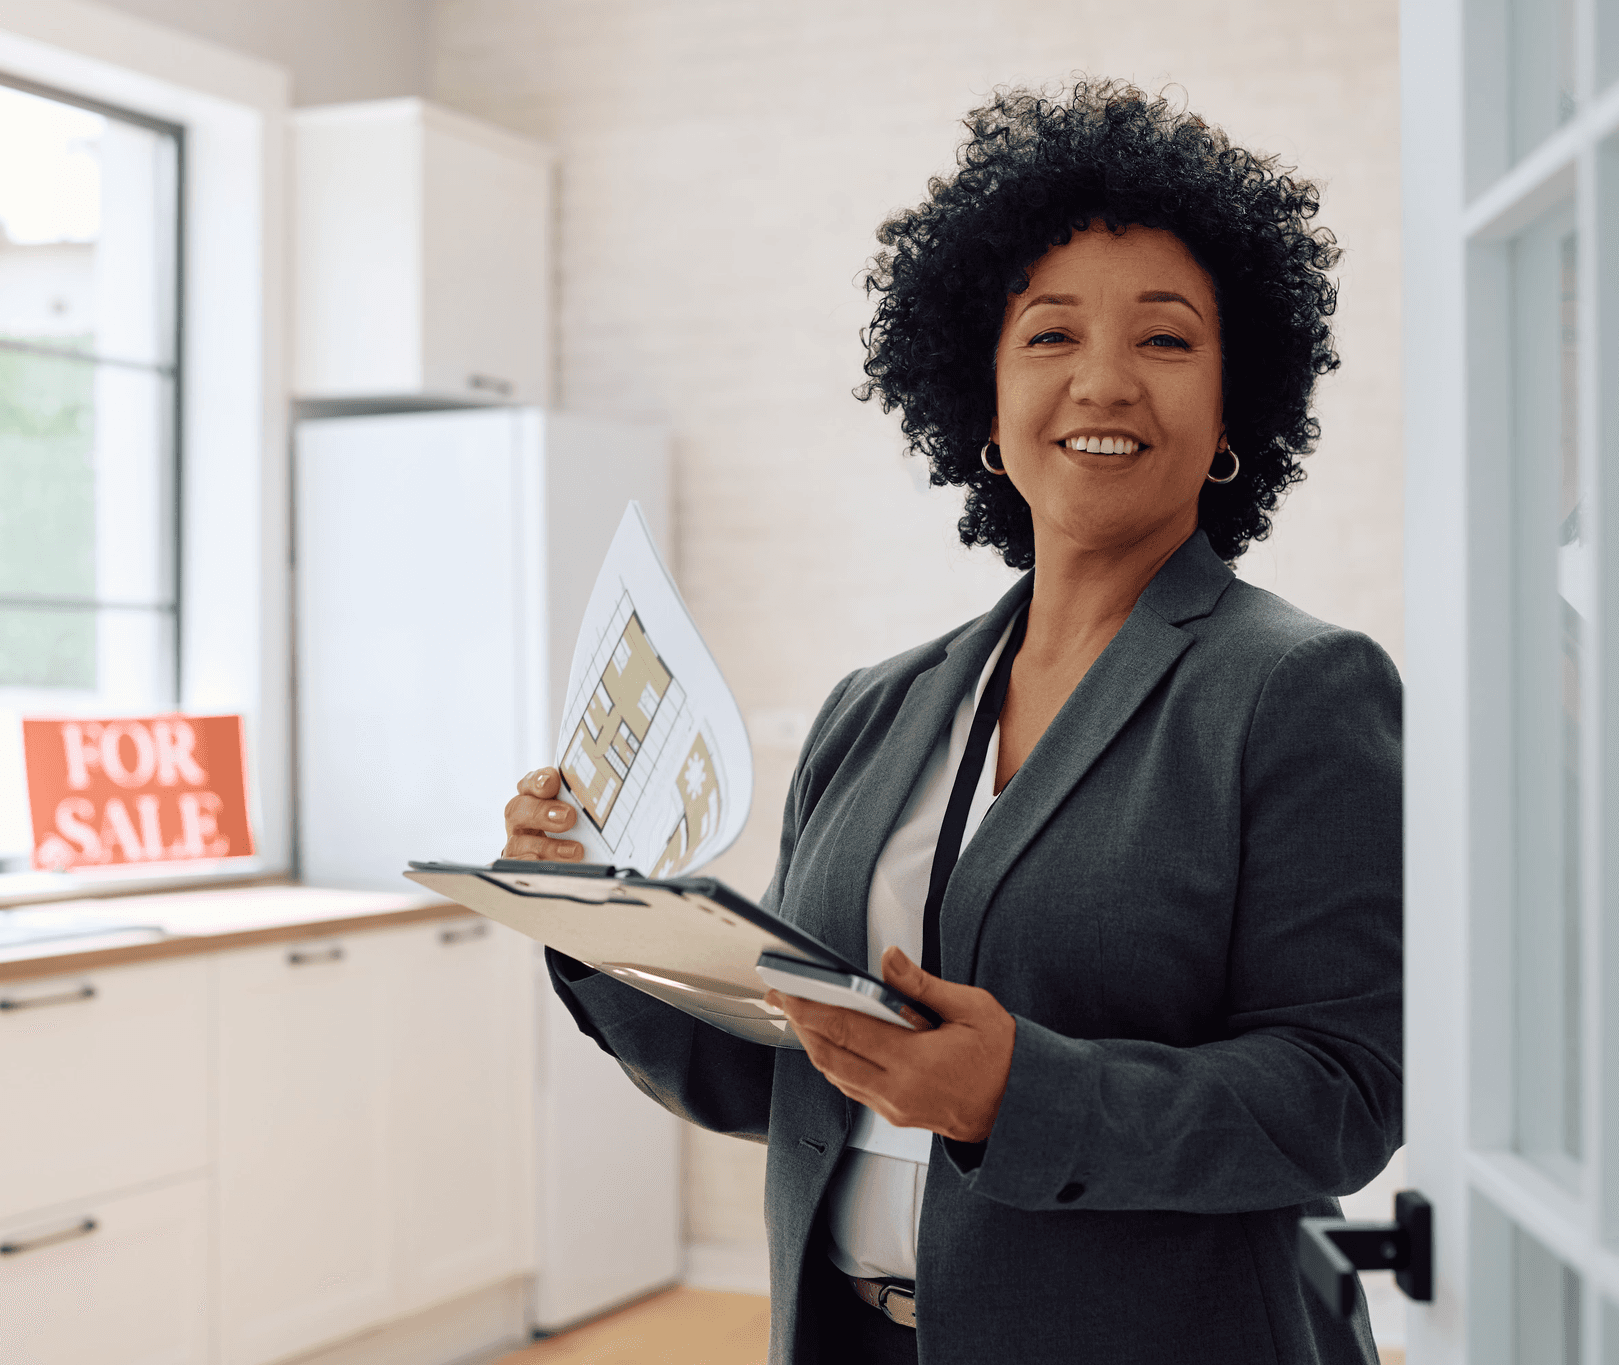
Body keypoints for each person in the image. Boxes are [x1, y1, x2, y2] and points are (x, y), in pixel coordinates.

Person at [503, 79, 1401, 1365]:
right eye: (1047, 337)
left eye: (1163, 340)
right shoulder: (877, 709)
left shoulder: (1301, 687)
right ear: (980, 407)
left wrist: (1017, 1095)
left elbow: (1343, 1096)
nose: (1102, 380)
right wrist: (588, 922)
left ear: (1229, 410)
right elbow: (790, 1073)